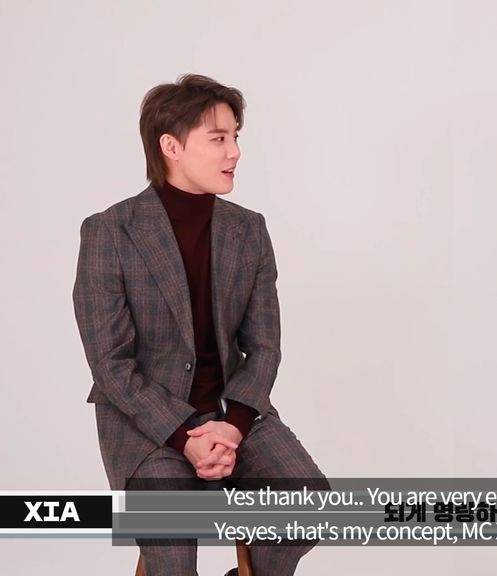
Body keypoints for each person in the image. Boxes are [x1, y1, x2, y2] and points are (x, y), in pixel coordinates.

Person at [73, 73, 328, 576]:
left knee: (309, 505)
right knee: (172, 553)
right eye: (218, 139)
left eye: (236, 136)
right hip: (147, 427)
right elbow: (110, 365)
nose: (234, 152)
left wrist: (232, 427)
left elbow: (265, 347)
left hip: (235, 415)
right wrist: (184, 435)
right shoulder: (110, 231)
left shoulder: (248, 229)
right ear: (171, 146)